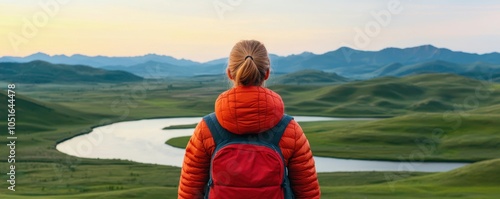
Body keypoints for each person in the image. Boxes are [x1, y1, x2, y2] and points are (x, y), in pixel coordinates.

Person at [178, 40, 320, 199]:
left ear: (230, 74)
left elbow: (189, 192)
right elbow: (308, 193)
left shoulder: (206, 129)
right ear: (267, 73)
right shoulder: (290, 129)